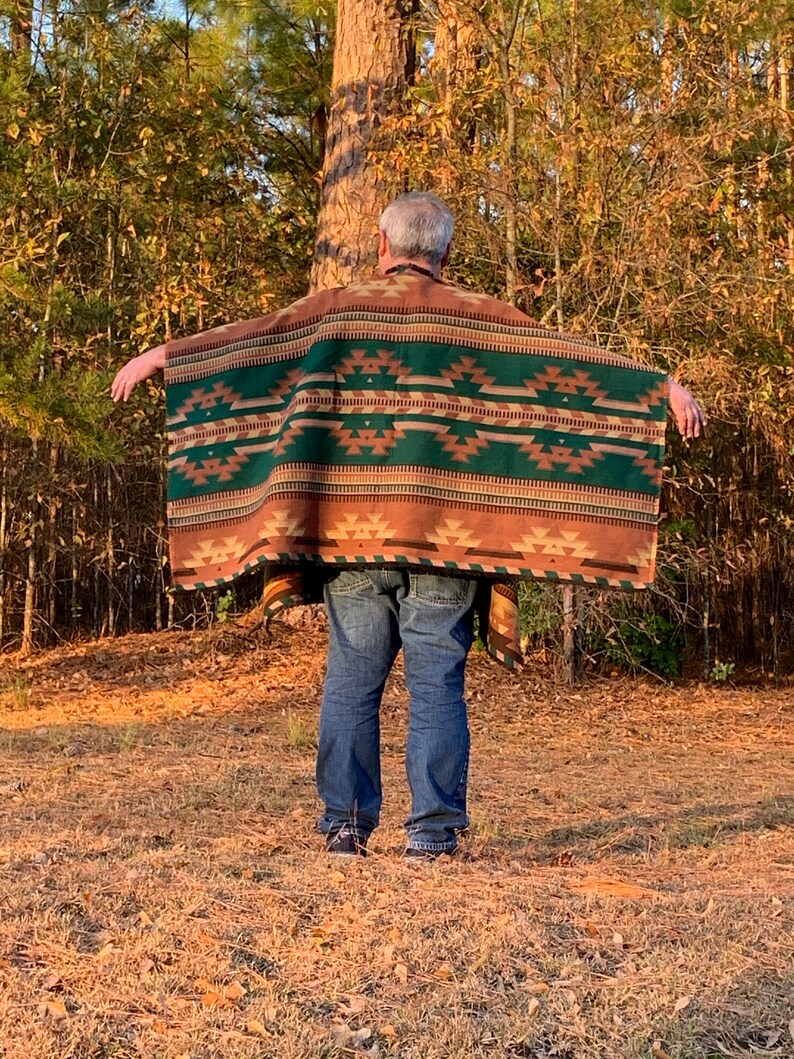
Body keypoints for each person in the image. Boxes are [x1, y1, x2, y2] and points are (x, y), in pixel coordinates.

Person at [113, 192, 704, 861]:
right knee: (436, 682)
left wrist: (162, 356)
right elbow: (569, 361)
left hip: (352, 541)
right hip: (445, 544)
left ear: (383, 246)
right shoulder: (484, 321)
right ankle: (432, 834)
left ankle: (345, 825)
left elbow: (253, 341)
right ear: (445, 254)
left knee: (351, 681)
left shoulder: (336, 309)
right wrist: (662, 388)